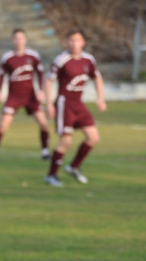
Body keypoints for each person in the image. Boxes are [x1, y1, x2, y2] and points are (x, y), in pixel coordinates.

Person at [43, 29, 106, 186]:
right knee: (66, 141)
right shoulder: (61, 60)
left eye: (77, 40)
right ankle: (51, 176)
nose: (74, 43)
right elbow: (49, 80)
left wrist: (100, 98)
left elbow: (97, 77)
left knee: (93, 137)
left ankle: (73, 167)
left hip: (79, 104)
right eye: (71, 40)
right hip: (65, 104)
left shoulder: (88, 60)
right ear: (67, 42)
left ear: (83, 42)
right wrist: (49, 104)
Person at [0, 29, 50, 161]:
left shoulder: (33, 56)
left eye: (21, 38)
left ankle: (45, 150)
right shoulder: (7, 57)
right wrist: (0, 91)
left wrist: (41, 90)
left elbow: (40, 74)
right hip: (14, 97)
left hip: (31, 96)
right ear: (13, 40)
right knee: (3, 125)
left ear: (25, 40)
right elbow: (1, 75)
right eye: (16, 38)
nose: (19, 41)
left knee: (44, 123)